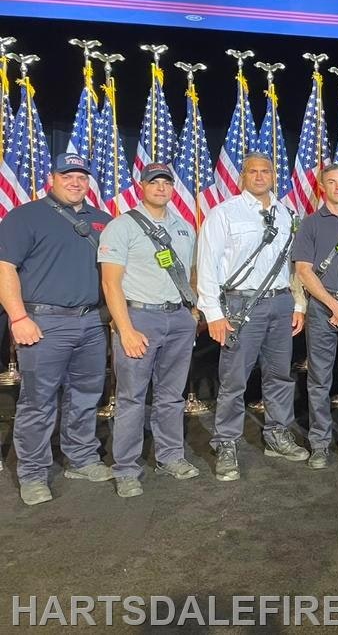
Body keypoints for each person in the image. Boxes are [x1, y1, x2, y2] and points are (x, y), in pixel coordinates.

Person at [0, 153, 112, 506]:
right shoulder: (24, 217)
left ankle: (81, 458)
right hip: (43, 322)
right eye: (68, 175)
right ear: (53, 178)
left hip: (93, 322)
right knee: (39, 401)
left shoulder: (103, 220)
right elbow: (5, 269)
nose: (75, 182)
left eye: (81, 176)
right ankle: (32, 473)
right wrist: (18, 318)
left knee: (85, 395)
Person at [197, 152, 308, 481]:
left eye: (266, 171)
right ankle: (226, 442)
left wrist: (298, 304)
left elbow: (293, 266)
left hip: (281, 303)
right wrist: (213, 313)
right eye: (253, 172)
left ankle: (277, 434)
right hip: (240, 306)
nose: (260, 177)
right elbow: (207, 265)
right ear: (242, 177)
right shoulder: (224, 214)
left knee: (280, 376)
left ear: (274, 176)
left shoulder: (287, 214)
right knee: (233, 381)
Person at [98, 162, 200, 497]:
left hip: (178, 319)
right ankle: (126, 468)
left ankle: (170, 456)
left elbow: (191, 272)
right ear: (141, 186)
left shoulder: (184, 227)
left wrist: (193, 311)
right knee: (131, 397)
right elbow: (111, 284)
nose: (160, 188)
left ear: (172, 188)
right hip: (139, 319)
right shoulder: (121, 226)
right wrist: (124, 329)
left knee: (172, 395)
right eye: (153, 182)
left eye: (166, 183)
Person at [294, 164, 338, 468]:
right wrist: (334, 306)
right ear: (323, 187)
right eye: (332, 182)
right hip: (323, 309)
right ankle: (320, 442)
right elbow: (303, 271)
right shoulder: (310, 224)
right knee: (319, 379)